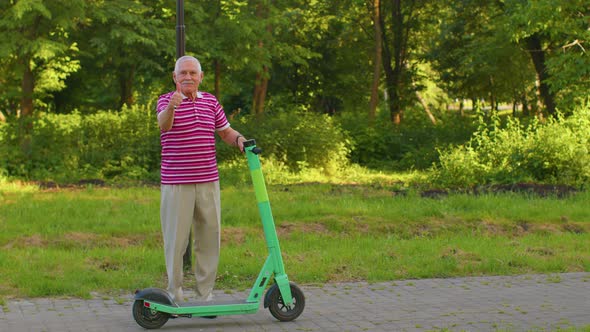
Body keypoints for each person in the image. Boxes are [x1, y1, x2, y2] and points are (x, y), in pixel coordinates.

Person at [156, 55, 246, 303]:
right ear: (174, 77)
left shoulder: (211, 102)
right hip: (177, 184)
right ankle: (174, 294)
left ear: (200, 77)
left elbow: (226, 132)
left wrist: (241, 141)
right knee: (176, 241)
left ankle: (204, 295)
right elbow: (163, 125)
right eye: (182, 73)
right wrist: (172, 106)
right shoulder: (165, 101)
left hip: (208, 181)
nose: (188, 77)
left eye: (192, 73)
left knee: (209, 237)